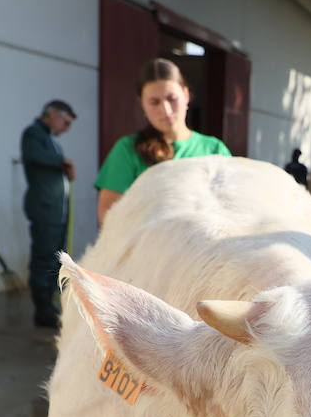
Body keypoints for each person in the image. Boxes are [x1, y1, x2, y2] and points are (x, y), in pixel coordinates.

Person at [95, 58, 231, 225]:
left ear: (186, 95)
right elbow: (108, 216)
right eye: (154, 102)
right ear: (142, 104)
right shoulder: (127, 149)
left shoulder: (214, 149)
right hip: (148, 249)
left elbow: (231, 207)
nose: (165, 110)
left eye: (171, 98)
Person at [21, 99, 76, 328]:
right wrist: (63, 162)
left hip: (56, 213)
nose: (65, 129)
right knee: (43, 257)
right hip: (44, 210)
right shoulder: (33, 134)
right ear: (52, 114)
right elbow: (34, 156)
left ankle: (50, 305)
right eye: (65, 122)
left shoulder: (51, 141)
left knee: (55, 257)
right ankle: (42, 310)